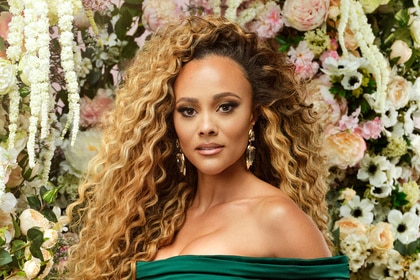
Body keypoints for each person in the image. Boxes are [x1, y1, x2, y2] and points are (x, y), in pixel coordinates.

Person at [66, 16, 349, 280]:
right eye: (188, 110)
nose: (206, 127)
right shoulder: (153, 217)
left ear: (253, 115)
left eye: (225, 107)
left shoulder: (276, 217)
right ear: (171, 121)